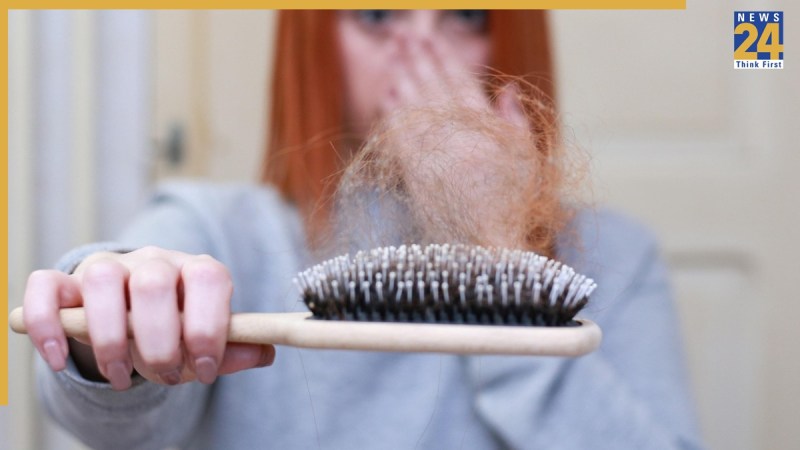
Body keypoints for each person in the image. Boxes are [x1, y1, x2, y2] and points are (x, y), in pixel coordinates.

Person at [23, 10, 704, 449]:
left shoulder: (618, 257)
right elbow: (103, 410)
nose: (421, 47)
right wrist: (107, 329)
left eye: (467, 15)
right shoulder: (222, 231)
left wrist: (498, 250)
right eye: (377, 14)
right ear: (313, 39)